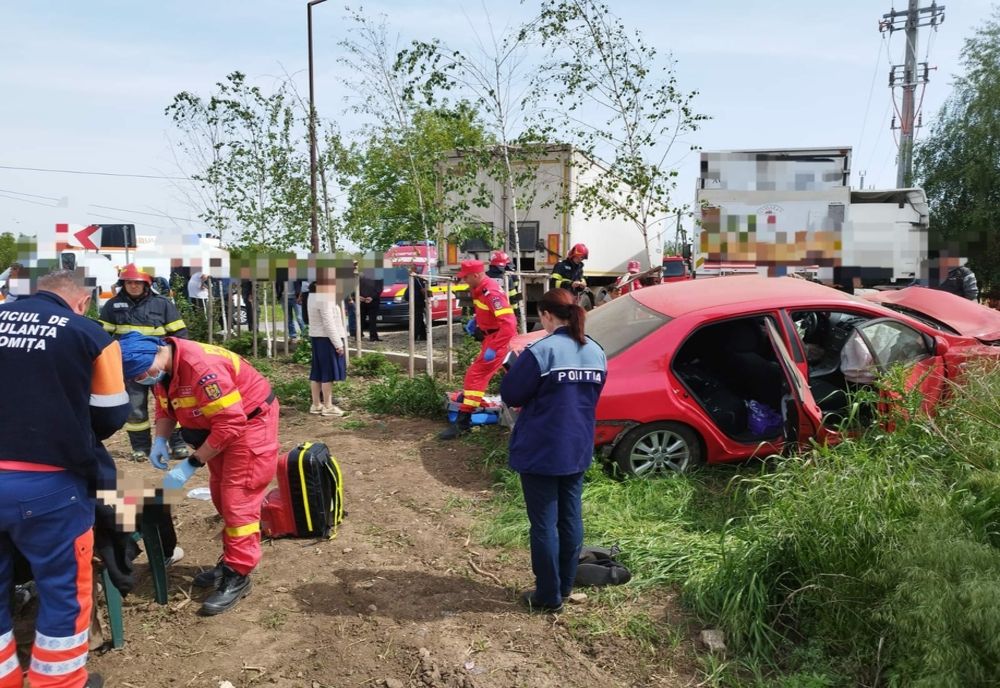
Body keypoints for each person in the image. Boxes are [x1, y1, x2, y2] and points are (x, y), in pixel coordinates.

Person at [0, 270, 131, 688]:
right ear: (83, 301)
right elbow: (111, 413)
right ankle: (56, 683)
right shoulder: (89, 335)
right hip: (49, 485)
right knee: (63, 592)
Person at [117, 331, 279, 616]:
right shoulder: (164, 368)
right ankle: (231, 561)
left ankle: (238, 574)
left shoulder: (201, 369)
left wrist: (191, 464)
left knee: (237, 501)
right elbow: (166, 409)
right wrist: (159, 440)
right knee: (220, 494)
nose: (141, 379)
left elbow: (231, 424)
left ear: (156, 353)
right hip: (218, 429)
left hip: (248, 427)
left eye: (142, 373)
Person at [499, 288, 607, 613]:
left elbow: (512, 393)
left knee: (544, 523)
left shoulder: (541, 351)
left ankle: (548, 595)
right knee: (571, 517)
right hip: (577, 446)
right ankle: (564, 584)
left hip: (542, 448)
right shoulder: (596, 350)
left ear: (546, 315)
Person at [98, 264, 190, 464]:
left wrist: (176, 360)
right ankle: (141, 448)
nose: (133, 286)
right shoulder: (112, 306)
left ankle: (178, 445)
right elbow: (102, 337)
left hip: (160, 365)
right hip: (130, 367)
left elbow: (180, 335)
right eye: (129, 282)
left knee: (170, 406)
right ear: (123, 284)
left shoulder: (163, 304)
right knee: (135, 408)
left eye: (137, 282)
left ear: (147, 284)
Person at [439, 259, 517, 440]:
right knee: (492, 375)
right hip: (491, 337)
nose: (464, 280)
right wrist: (478, 321)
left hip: (498, 339)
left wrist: (495, 347)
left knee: (476, 375)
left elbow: (509, 325)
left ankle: (463, 422)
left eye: (466, 277)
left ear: (476, 275)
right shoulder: (481, 288)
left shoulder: (491, 292)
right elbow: (489, 311)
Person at [306, 269, 348, 417]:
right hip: (326, 339)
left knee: (317, 372)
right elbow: (328, 322)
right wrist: (338, 344)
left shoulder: (312, 294)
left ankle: (316, 404)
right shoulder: (324, 297)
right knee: (327, 373)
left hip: (318, 337)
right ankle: (328, 406)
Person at [359, 269, 383, 342]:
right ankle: (373, 336)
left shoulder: (360, 275)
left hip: (364, 300)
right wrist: (371, 297)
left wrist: (359, 296)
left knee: (361, 319)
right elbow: (379, 289)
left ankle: (359, 335)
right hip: (372, 300)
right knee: (371, 319)